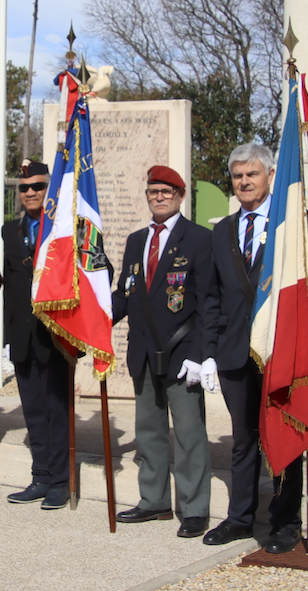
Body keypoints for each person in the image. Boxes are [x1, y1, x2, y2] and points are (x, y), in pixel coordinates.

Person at [199, 142, 308, 553]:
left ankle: (284, 522)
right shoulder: (222, 230)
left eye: (252, 174)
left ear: (270, 176)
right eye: (238, 176)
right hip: (234, 354)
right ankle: (241, 517)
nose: (244, 182)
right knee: (243, 439)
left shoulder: (292, 220)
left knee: (280, 435)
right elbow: (210, 297)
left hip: (279, 352)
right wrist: (209, 352)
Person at [111, 165, 215, 539]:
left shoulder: (199, 239)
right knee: (149, 432)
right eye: (153, 191)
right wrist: (95, 318)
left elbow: (207, 303)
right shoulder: (137, 240)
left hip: (182, 353)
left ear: (180, 195)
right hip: (142, 351)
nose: (159, 196)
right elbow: (126, 294)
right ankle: (153, 500)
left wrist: (202, 354)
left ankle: (194, 507)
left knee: (189, 433)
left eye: (167, 191)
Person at [0, 160, 72, 510]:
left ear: (50, 190)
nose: (30, 193)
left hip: (54, 334)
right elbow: (6, 281)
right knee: (32, 411)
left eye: (38, 187)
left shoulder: (63, 229)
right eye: (24, 188)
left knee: (56, 410)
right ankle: (40, 476)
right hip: (23, 335)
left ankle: (60, 481)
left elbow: (94, 267)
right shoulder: (8, 231)